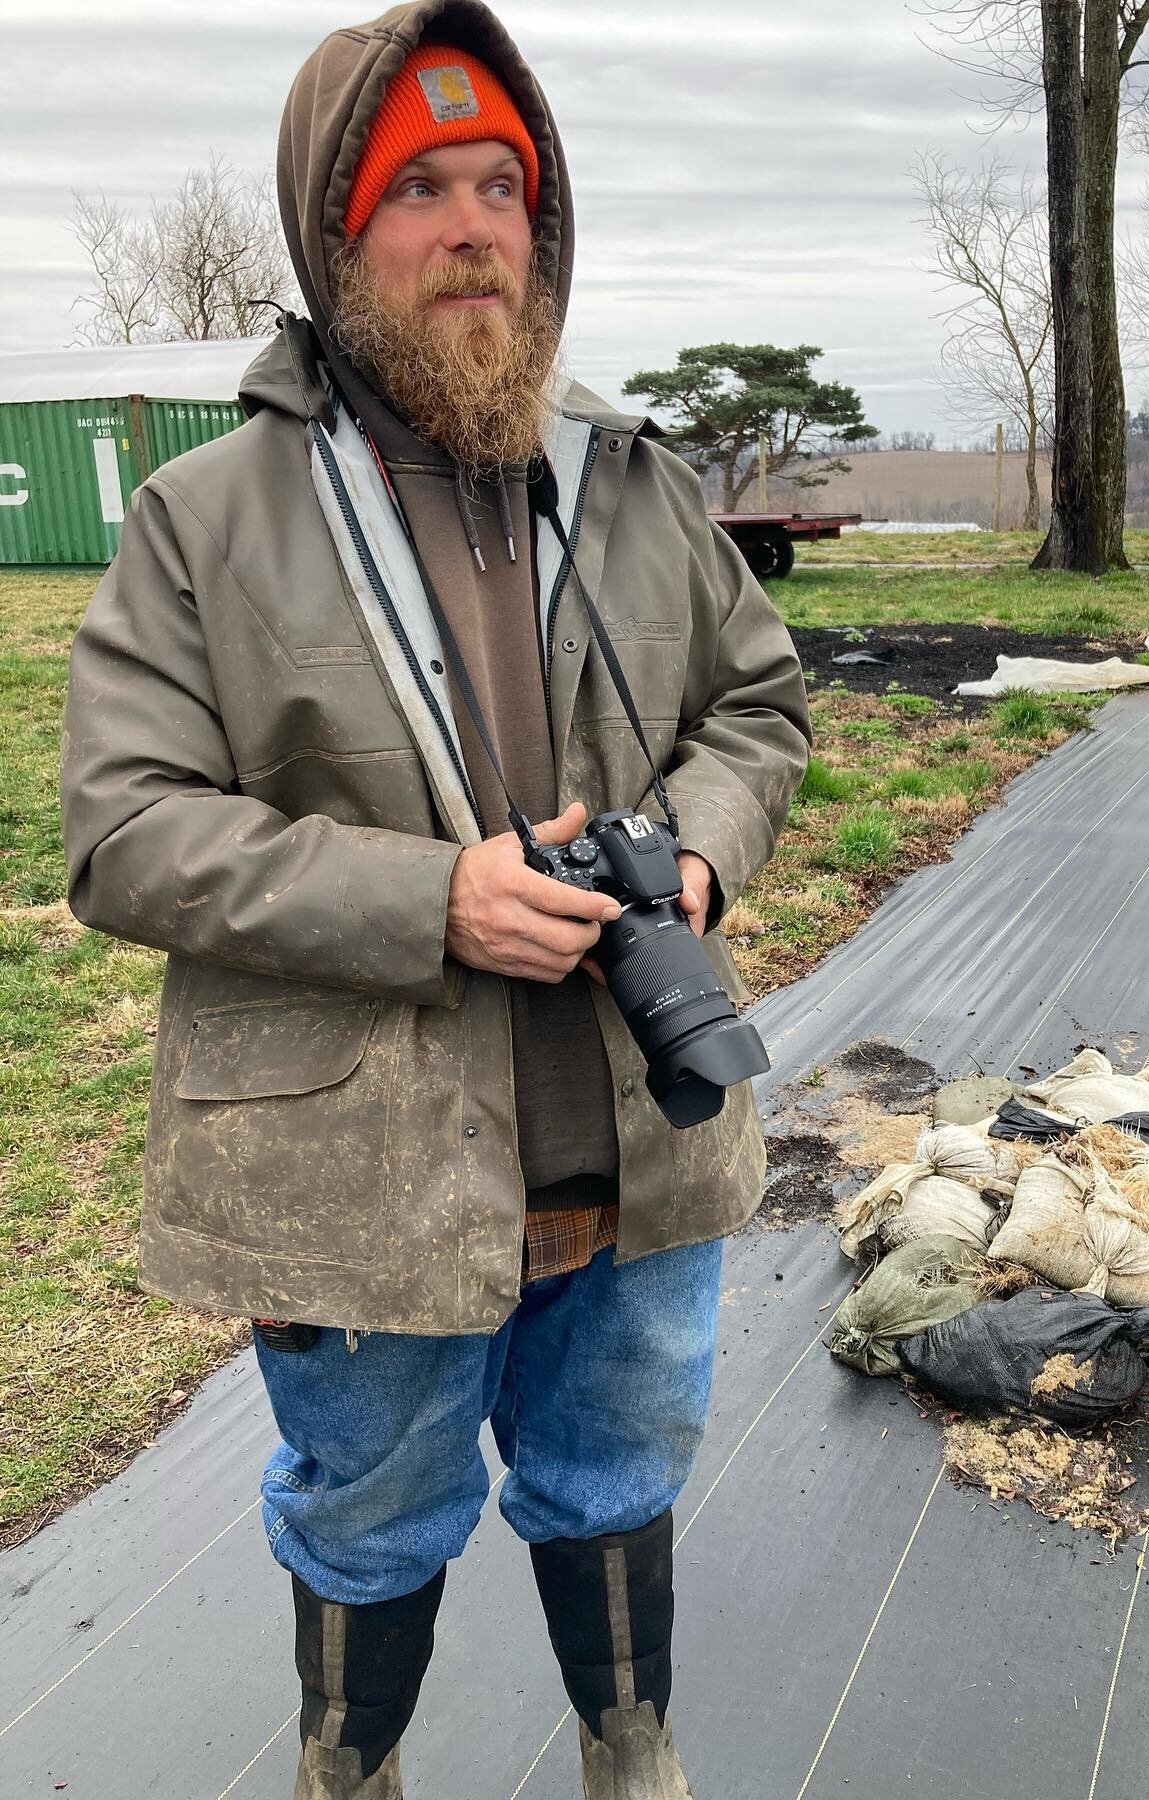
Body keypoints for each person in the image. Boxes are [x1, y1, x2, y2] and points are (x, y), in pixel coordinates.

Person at [58, 3, 811, 1794]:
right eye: (422, 190)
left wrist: (698, 849)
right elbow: (121, 830)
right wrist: (433, 902)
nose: (479, 228)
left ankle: (630, 1751)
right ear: (334, 236)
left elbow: (759, 709)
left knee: (623, 1467)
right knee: (371, 1509)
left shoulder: (630, 482)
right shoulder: (204, 515)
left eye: (507, 189)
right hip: (360, 1166)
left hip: (638, 1121)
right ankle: (352, 1770)